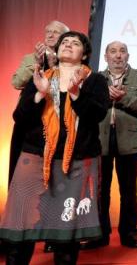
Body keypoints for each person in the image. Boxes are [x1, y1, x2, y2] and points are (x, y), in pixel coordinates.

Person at [0, 31, 108, 264]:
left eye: (75, 43)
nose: (68, 45)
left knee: (66, 234)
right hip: (35, 159)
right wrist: (39, 94)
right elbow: (20, 117)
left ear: (84, 54)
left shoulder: (95, 80)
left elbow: (97, 115)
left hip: (77, 162)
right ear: (57, 51)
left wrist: (76, 94)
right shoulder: (41, 76)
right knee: (21, 227)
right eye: (64, 42)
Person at [82, 41, 137, 250]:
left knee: (128, 190)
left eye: (122, 51)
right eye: (113, 51)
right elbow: (88, 107)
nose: (118, 55)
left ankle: (129, 234)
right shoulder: (96, 78)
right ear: (106, 57)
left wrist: (123, 98)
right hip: (100, 139)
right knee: (100, 190)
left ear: (127, 56)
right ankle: (99, 235)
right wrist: (106, 97)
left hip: (129, 139)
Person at [9, 20, 69, 184]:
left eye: (55, 32)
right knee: (19, 169)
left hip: (55, 120)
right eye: (48, 32)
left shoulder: (69, 61)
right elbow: (17, 83)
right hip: (29, 118)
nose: (50, 35)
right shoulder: (30, 58)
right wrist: (37, 63)